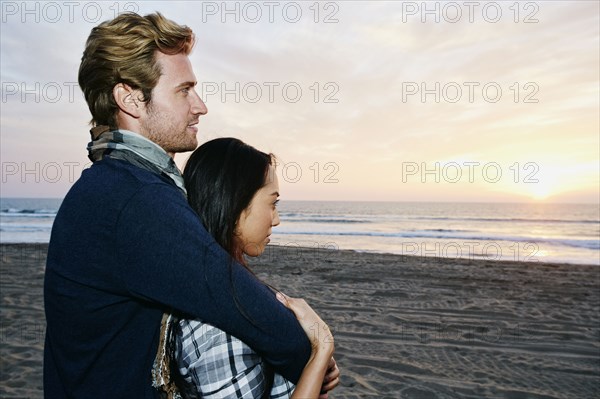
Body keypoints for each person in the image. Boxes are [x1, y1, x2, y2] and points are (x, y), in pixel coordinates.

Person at [44, 12, 319, 398]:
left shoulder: (113, 186)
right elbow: (250, 310)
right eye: (184, 90)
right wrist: (312, 352)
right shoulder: (135, 200)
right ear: (130, 99)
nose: (200, 106)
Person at [152, 138, 339, 398]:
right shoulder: (214, 328)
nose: (277, 219)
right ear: (234, 202)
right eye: (272, 203)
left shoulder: (225, 293)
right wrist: (321, 350)